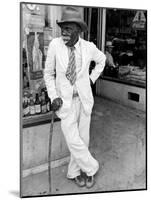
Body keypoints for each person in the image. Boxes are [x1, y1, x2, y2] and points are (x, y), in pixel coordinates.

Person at [44, 6, 106, 188]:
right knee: (73, 139)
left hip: (84, 100)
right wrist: (53, 95)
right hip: (65, 102)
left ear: (78, 30)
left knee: (83, 139)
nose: (64, 32)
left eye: (69, 28)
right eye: (63, 28)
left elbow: (101, 60)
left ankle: (74, 172)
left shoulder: (89, 48)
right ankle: (92, 167)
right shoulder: (55, 45)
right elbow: (48, 74)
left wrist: (91, 79)